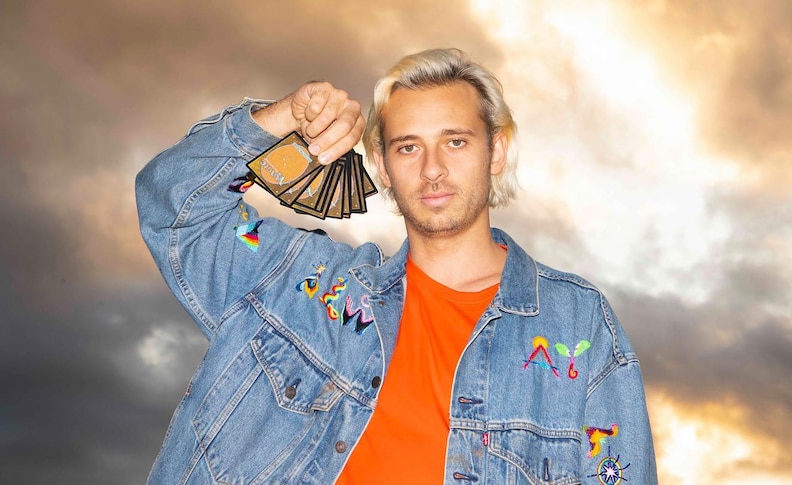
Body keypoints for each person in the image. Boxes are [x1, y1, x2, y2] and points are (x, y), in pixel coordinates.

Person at [137, 48, 657, 484]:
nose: (433, 169)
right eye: (409, 148)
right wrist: (284, 121)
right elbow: (174, 206)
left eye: (455, 141)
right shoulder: (301, 283)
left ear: (495, 151)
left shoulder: (577, 324)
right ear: (382, 167)